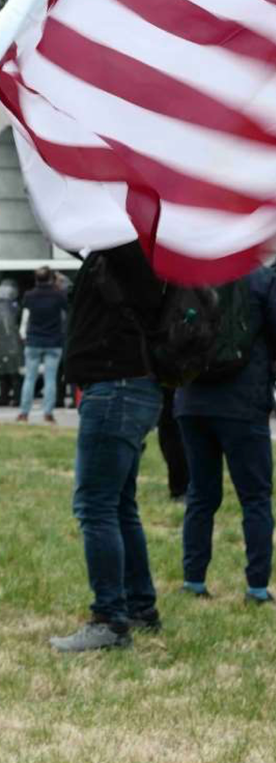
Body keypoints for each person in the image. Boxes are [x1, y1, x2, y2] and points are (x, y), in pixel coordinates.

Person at [49, 242, 164, 652]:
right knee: (119, 503)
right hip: (132, 387)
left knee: (96, 505)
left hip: (116, 389)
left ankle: (110, 620)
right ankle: (139, 606)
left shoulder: (122, 249)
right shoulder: (134, 249)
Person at [174, 267, 276, 605]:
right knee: (256, 498)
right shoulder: (261, 279)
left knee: (200, 496)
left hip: (192, 399)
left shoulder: (190, 273)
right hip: (243, 403)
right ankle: (257, 588)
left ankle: (193, 580)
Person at [17, 266, 67, 424]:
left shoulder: (29, 295)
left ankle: (24, 413)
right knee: (50, 378)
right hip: (53, 341)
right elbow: (65, 314)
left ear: (36, 279)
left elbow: (25, 317)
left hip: (33, 340)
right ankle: (48, 413)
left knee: (30, 378)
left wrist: (23, 336)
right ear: (51, 278)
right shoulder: (59, 295)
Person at [0, 278, 23, 406]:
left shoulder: (5, 307)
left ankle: (13, 397)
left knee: (10, 372)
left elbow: (7, 327)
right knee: (6, 372)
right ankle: (9, 397)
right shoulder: (10, 306)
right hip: (6, 343)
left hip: (7, 344)